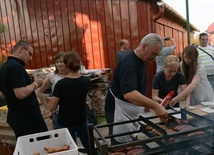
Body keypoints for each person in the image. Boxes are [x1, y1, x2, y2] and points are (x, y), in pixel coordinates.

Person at [110, 33, 167, 144]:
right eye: (154, 54)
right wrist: (155, 106)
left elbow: (138, 85)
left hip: (129, 110)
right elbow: (129, 94)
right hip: (119, 109)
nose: (154, 58)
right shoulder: (130, 63)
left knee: (132, 143)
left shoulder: (142, 60)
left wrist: (144, 103)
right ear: (144, 46)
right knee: (121, 145)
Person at [0, 40, 48, 138]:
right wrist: (36, 84)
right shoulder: (15, 67)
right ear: (21, 49)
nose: (30, 58)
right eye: (30, 54)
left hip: (17, 117)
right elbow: (21, 93)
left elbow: (2, 94)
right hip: (27, 119)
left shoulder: (5, 66)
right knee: (40, 145)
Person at [49, 51, 91, 148]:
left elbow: (52, 107)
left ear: (66, 65)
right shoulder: (86, 81)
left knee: (71, 148)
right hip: (81, 118)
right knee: (89, 147)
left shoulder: (60, 84)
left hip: (65, 121)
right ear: (79, 63)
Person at [105, 39, 130, 145]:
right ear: (122, 45)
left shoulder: (129, 54)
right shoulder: (120, 55)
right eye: (127, 44)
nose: (129, 45)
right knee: (114, 129)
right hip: (113, 105)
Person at [36, 52, 67, 129]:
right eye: (57, 62)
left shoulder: (71, 74)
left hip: (73, 112)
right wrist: (47, 107)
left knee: (73, 138)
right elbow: (39, 92)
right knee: (63, 136)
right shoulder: (52, 76)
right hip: (59, 113)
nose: (59, 64)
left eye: (61, 61)